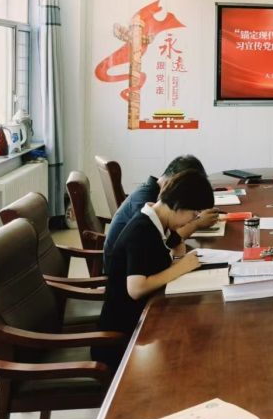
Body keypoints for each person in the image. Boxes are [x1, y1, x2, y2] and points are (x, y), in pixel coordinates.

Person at [93, 169, 215, 370]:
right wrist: (180, 268)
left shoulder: (157, 220)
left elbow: (171, 249)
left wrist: (178, 256)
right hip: (123, 339)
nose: (193, 220)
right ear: (178, 206)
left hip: (145, 319)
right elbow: (136, 288)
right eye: (194, 214)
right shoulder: (141, 230)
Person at [103, 155, 218, 271]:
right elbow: (166, 242)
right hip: (123, 271)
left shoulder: (154, 197)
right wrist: (196, 224)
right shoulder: (144, 204)